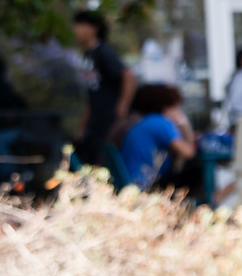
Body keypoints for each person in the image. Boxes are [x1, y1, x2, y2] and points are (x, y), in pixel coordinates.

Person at [71, 10, 134, 167]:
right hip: (95, 120)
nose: (76, 30)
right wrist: (83, 125)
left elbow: (129, 76)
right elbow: (90, 93)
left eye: (81, 25)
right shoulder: (87, 55)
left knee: (104, 160)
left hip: (109, 118)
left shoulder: (103, 52)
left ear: (94, 28)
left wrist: (123, 105)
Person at [118, 83, 199, 190]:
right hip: (143, 183)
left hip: (131, 180)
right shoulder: (161, 122)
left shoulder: (148, 121)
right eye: (176, 107)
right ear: (167, 107)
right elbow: (189, 152)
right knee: (197, 173)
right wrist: (185, 125)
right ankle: (207, 204)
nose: (179, 111)